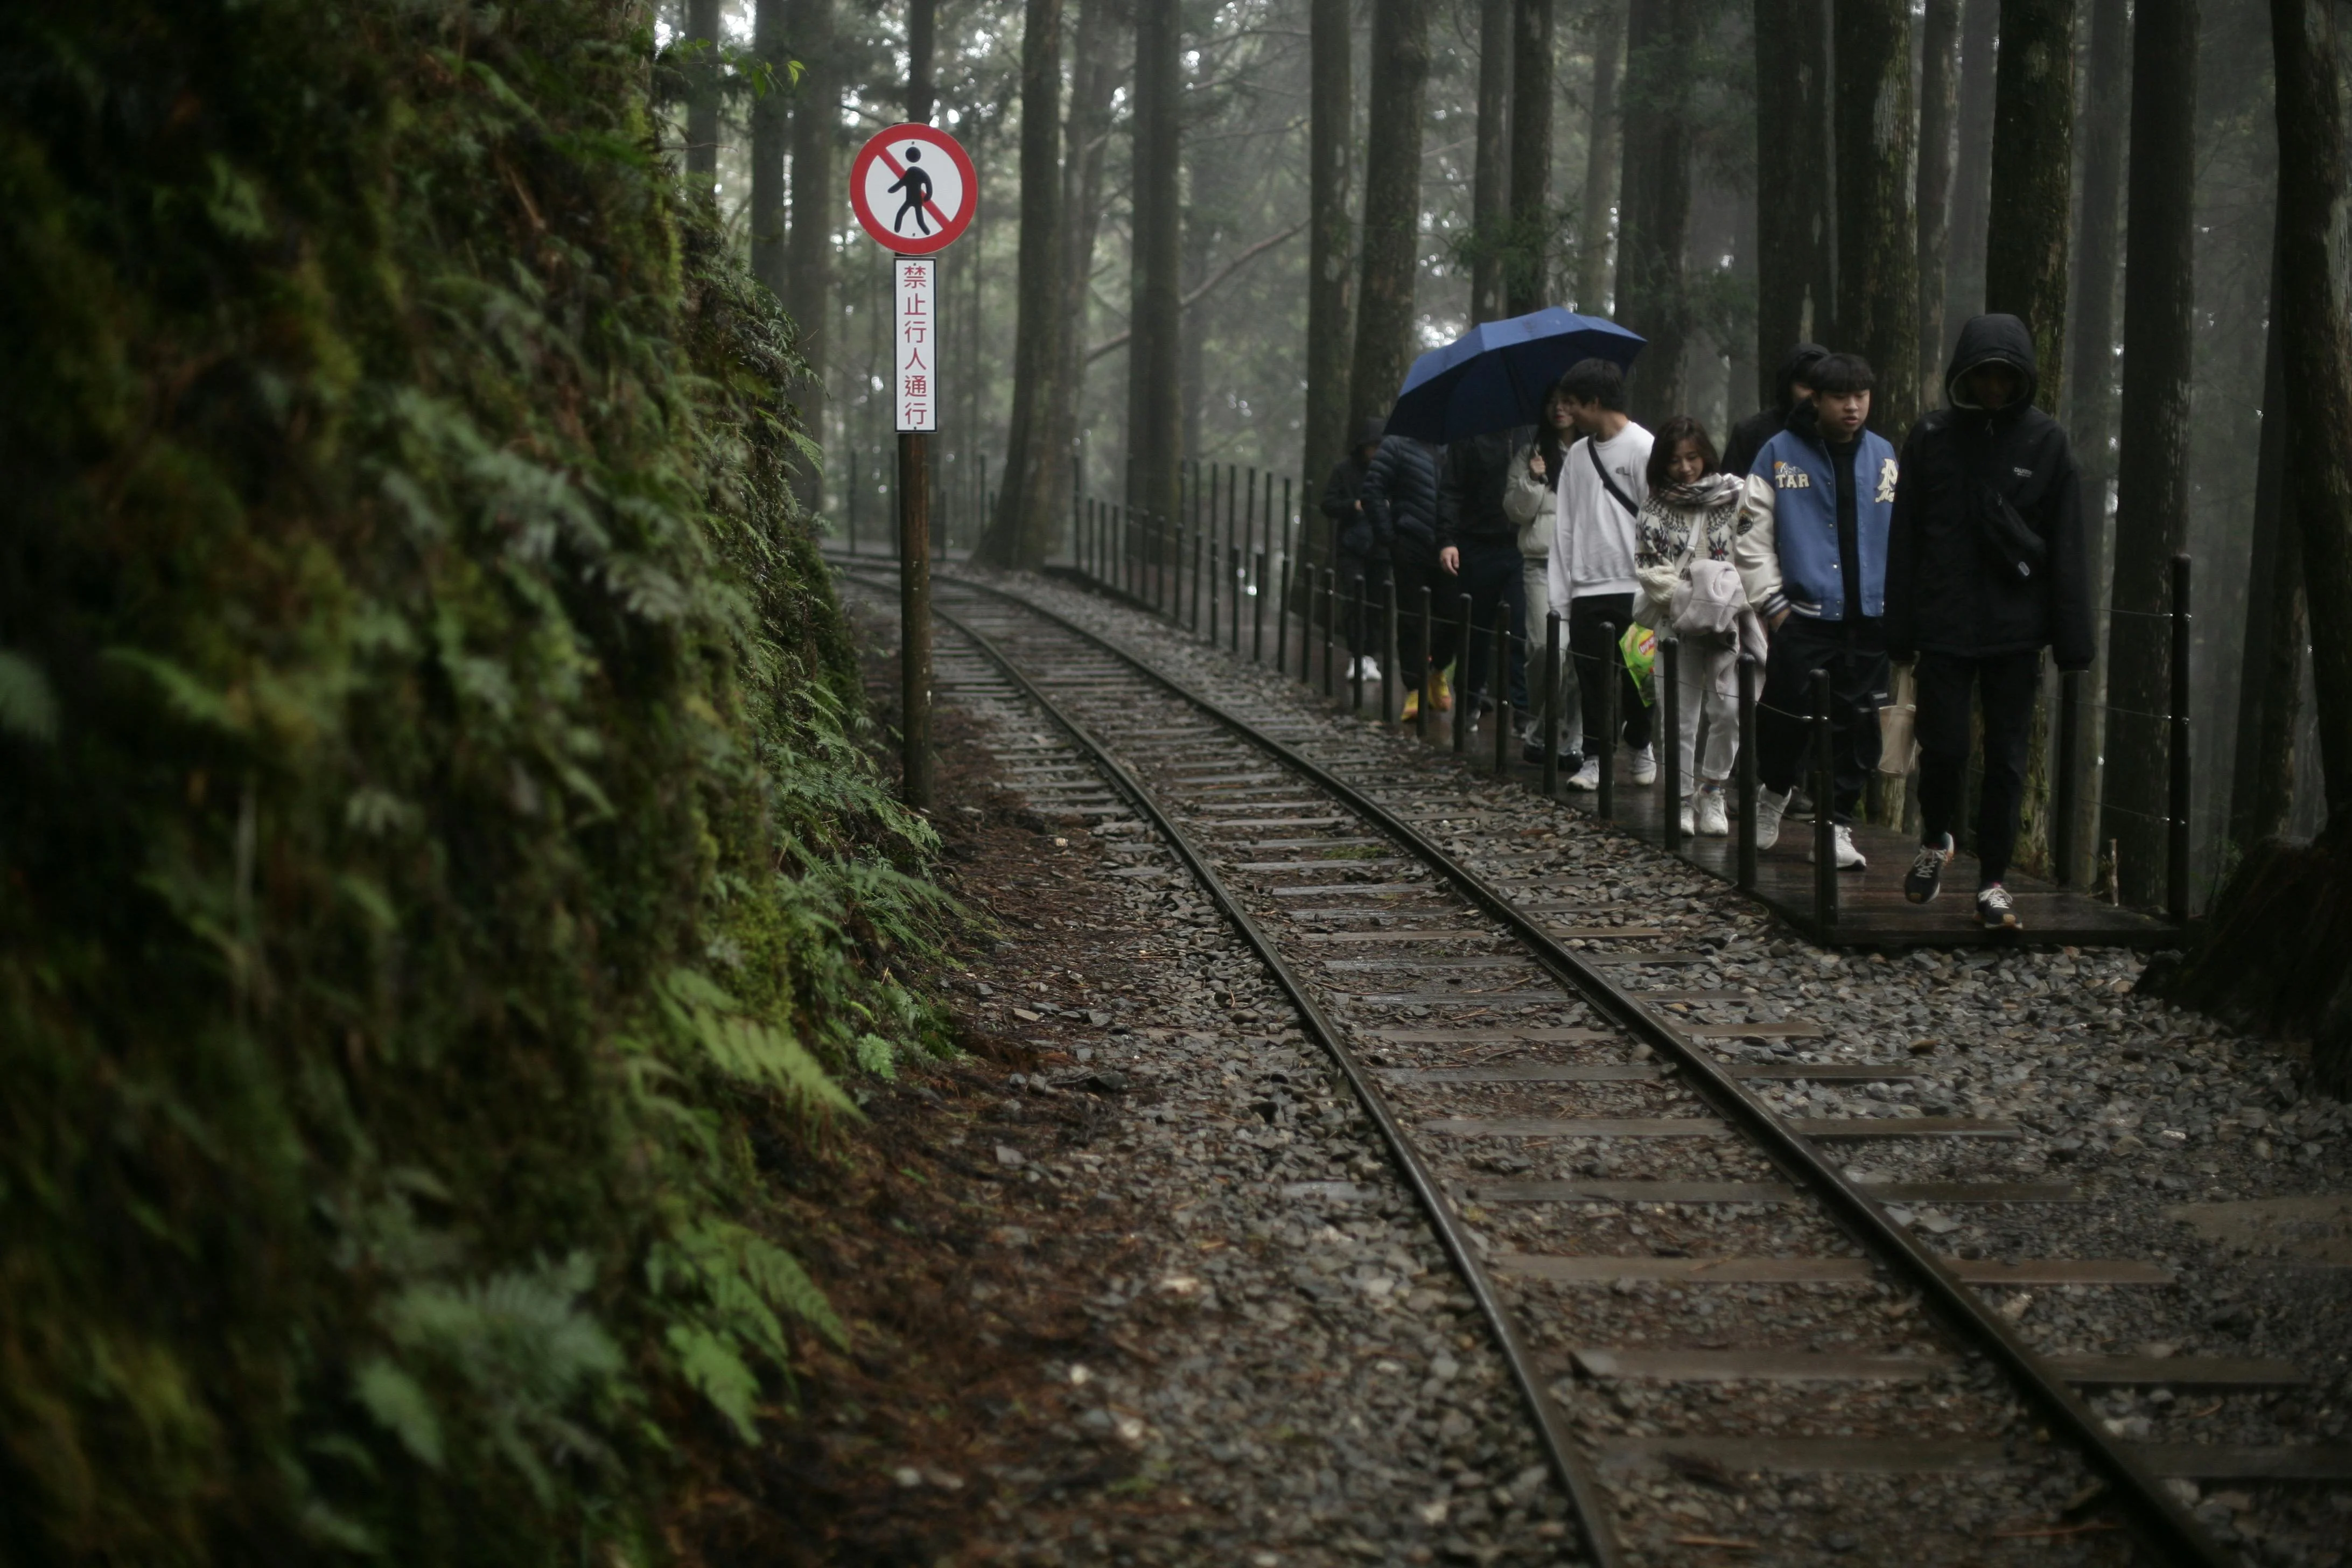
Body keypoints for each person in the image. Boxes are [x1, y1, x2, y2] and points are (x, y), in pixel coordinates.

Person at [1885, 314, 2093, 930]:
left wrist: (2072, 642)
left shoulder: (2048, 442)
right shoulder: (1930, 437)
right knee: (1944, 748)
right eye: (1984, 376)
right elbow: (1905, 540)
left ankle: (1995, 880)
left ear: (2022, 377)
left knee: (2006, 760)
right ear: (1966, 377)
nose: (1995, 387)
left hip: (2016, 631)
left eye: (2005, 377)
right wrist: (1899, 632)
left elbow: (2068, 544)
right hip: (1944, 624)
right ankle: (1936, 838)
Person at [1732, 352, 1896, 869]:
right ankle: (1774, 790)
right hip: (1801, 615)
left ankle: (1837, 826)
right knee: (1787, 719)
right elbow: (1750, 537)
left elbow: (1906, 536)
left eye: (1861, 397)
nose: (1853, 408)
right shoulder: (1778, 453)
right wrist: (1775, 607)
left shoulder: (1885, 456)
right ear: (1816, 400)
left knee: (1862, 726)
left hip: (1870, 618)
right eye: (1841, 398)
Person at [1633, 415, 1756, 836]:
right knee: (1679, 717)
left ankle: (1713, 789)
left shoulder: (1736, 495)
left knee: (1730, 711)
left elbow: (1752, 551)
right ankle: (1682, 799)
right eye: (1674, 461)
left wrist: (1724, 603)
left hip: (1728, 624)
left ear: (1706, 452)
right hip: (1677, 625)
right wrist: (1694, 603)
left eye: (1692, 457)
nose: (1685, 468)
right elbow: (1650, 569)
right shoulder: (1654, 506)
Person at [1543, 358, 1655, 790]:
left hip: (1637, 588)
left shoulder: (1645, 448)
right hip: (1589, 586)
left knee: (1639, 676)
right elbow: (1565, 524)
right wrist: (1562, 593)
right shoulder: (1577, 455)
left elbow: (1657, 519)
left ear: (1595, 402)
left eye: (1573, 404)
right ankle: (1594, 757)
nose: (1566, 412)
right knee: (1590, 678)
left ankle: (1641, 741)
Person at [1502, 382, 1583, 765]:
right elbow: (1516, 512)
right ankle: (1541, 725)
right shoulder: (1529, 455)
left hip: (1584, 568)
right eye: (1553, 401)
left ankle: (1574, 736)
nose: (1560, 409)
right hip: (1540, 565)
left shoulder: (1591, 453)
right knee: (1544, 648)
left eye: (1568, 402)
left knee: (1579, 655)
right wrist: (1534, 479)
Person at [1436, 425, 1534, 718]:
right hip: (1477, 542)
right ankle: (1469, 701)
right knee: (1476, 630)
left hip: (1521, 545)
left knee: (1522, 629)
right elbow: (1451, 490)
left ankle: (1523, 712)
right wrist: (1447, 540)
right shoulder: (1469, 435)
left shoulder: (1532, 435)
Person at [1360, 429, 1452, 717]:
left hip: (1451, 545)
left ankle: (1437, 670)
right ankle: (1414, 688)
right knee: (1412, 618)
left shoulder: (1456, 445)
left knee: (1452, 616)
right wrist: (1390, 536)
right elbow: (1372, 490)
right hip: (1410, 544)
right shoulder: (1396, 446)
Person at [1320, 419, 1388, 681]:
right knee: (1354, 600)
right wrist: (1354, 506)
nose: (1375, 453)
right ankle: (1357, 656)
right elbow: (1328, 503)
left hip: (1381, 548)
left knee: (1377, 604)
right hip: (1352, 548)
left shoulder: (1388, 472)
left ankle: (1371, 657)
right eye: (1372, 447)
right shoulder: (1344, 471)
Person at [1723, 342, 1828, 480]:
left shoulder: (1841, 433)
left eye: (1820, 388)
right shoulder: (1751, 433)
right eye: (1806, 387)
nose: (1813, 396)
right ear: (1788, 386)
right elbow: (1729, 491)